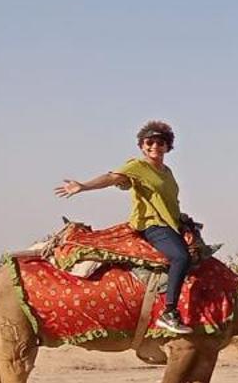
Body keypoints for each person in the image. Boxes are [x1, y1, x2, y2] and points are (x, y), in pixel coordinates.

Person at [53, 120, 194, 334]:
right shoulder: (137, 166)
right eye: (150, 142)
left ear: (167, 146)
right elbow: (112, 177)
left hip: (171, 224)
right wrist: (83, 186)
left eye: (160, 142)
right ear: (142, 145)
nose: (154, 146)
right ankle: (169, 312)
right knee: (181, 257)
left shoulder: (167, 171)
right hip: (153, 225)